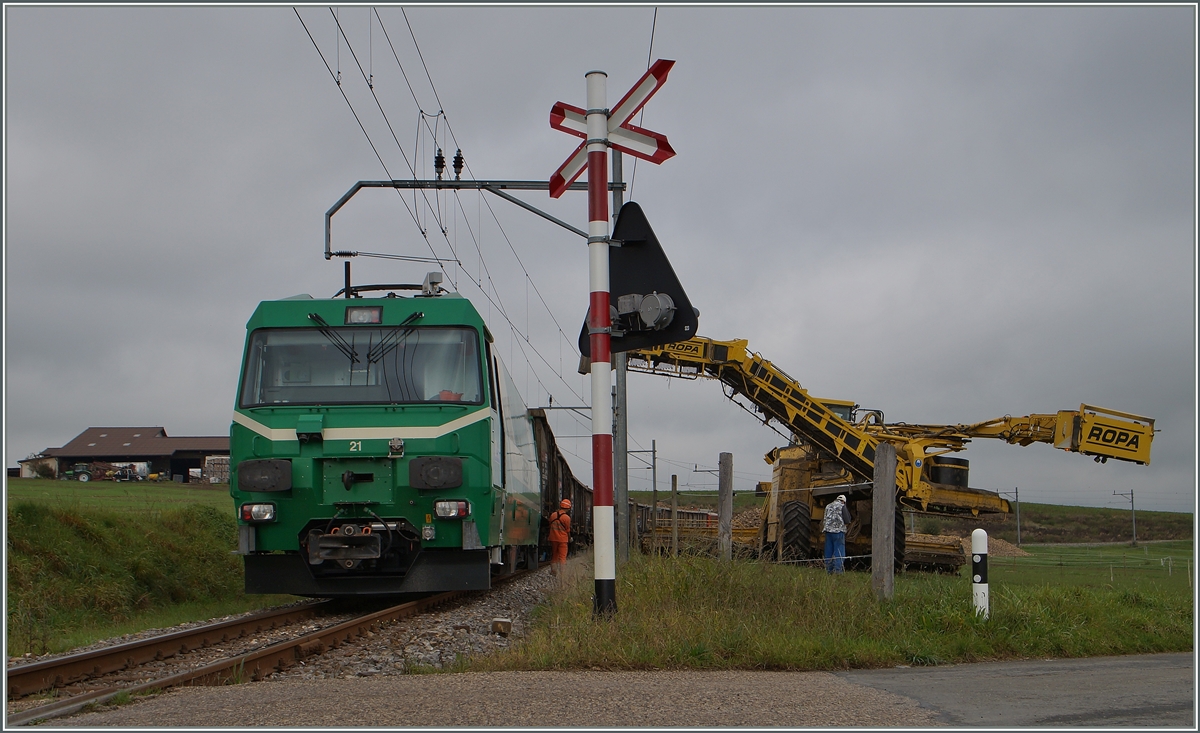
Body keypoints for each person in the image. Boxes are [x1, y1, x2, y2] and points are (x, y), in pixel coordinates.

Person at [823, 494, 852, 574]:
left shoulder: (828, 506)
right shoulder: (842, 506)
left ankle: (829, 570)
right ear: (844, 501)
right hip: (838, 532)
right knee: (839, 551)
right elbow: (847, 520)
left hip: (828, 531)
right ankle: (838, 571)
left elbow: (825, 518)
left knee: (828, 551)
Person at [548, 499, 572, 574]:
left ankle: (553, 571)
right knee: (562, 556)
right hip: (563, 539)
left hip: (553, 538)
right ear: (568, 508)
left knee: (554, 555)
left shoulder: (553, 515)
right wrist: (569, 538)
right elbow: (567, 530)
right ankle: (563, 572)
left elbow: (550, 525)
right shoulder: (567, 518)